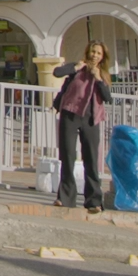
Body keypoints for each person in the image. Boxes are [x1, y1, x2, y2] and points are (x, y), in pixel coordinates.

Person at [53, 41, 111, 212]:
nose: (95, 55)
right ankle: (65, 198)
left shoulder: (103, 74)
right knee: (68, 156)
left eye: (98, 53)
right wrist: (76, 67)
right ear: (87, 52)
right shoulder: (77, 68)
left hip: (91, 119)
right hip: (70, 114)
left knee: (91, 159)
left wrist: (98, 78)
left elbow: (107, 98)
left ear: (102, 57)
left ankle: (93, 201)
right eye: (93, 52)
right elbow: (57, 72)